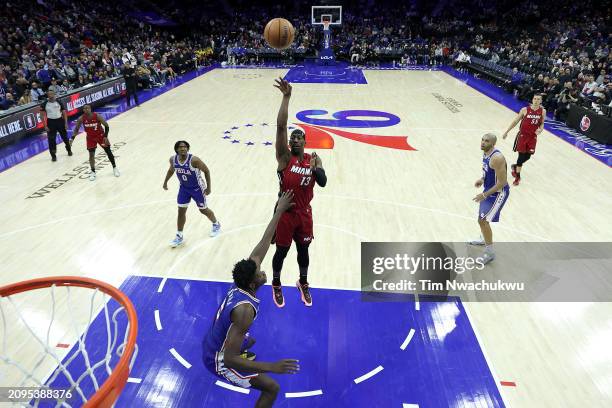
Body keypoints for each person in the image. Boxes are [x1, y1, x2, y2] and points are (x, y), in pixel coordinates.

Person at [202, 191, 299, 408]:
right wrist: (271, 367)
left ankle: (240, 344)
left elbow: (265, 240)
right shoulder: (245, 310)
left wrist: (279, 210)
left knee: (249, 341)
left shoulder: (243, 279)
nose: (263, 271)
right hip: (218, 360)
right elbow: (229, 358)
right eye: (260, 273)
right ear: (253, 284)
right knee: (272, 387)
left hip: (216, 338)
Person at [271, 78, 327, 308]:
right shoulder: (284, 158)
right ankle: (276, 283)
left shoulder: (313, 159)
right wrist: (286, 98)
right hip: (286, 213)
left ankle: (303, 282)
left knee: (303, 252)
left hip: (304, 214)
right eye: (292, 137)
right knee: (282, 252)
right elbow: (281, 127)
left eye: (298, 137)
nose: (294, 139)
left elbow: (323, 183)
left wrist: (317, 169)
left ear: (304, 141)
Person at [162, 141, 221, 247]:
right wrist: (165, 182)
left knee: (203, 210)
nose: (183, 149)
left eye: (185, 147)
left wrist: (208, 188)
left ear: (188, 149)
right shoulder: (173, 160)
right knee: (181, 212)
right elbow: (171, 170)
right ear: (176, 149)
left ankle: (216, 224)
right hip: (184, 189)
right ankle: (179, 235)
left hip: (197, 189)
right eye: (180, 147)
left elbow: (207, 171)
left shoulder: (194, 160)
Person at [469, 134, 510, 265]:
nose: (483, 143)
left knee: (483, 220)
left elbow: (502, 182)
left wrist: (485, 194)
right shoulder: (486, 153)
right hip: (489, 190)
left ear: (493, 144)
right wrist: (482, 179)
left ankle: (489, 253)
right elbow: (488, 172)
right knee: (482, 219)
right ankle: (484, 238)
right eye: (482, 140)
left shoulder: (497, 158)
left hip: (499, 193)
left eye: (486, 141)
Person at [502, 94, 545, 186]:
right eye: (535, 99)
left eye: (538, 99)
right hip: (522, 136)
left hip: (532, 137)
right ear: (532, 99)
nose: (536, 100)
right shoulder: (525, 110)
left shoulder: (542, 111)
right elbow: (515, 121)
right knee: (521, 156)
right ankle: (517, 177)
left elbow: (542, 123)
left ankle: (515, 166)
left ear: (541, 101)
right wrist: (507, 131)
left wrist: (540, 129)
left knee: (528, 156)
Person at [70, 104, 120, 181]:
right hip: (90, 138)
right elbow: (76, 129)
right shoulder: (81, 118)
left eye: (88, 108)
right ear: (83, 110)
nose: (86, 109)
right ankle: (93, 171)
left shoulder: (97, 116)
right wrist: (72, 138)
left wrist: (105, 136)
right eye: (85, 108)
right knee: (91, 155)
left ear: (90, 109)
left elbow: (106, 126)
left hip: (100, 136)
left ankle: (114, 168)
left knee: (108, 152)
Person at [41, 90, 72, 161]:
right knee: (51, 139)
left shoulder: (59, 102)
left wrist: (65, 123)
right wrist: (45, 126)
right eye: (49, 94)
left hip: (60, 121)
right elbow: (42, 116)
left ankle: (69, 150)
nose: (51, 95)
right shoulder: (44, 104)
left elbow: (64, 113)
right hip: (50, 122)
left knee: (65, 137)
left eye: (52, 94)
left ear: (54, 94)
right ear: (47, 96)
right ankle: (53, 155)